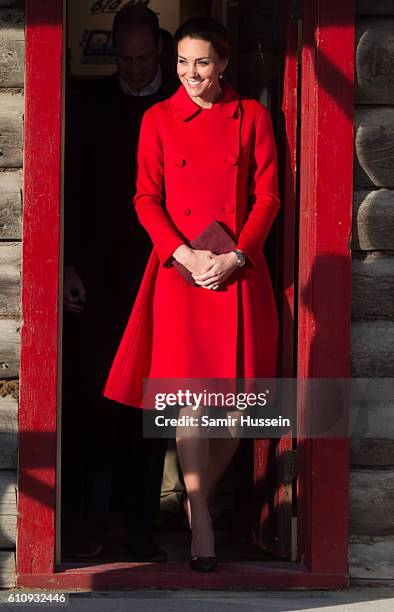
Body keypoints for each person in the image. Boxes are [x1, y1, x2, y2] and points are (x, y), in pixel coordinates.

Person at [103, 17, 281, 572]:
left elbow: (269, 198)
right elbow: (145, 198)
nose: (190, 73)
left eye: (201, 62)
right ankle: (202, 521)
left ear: (223, 63)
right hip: (179, 274)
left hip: (236, 271)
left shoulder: (251, 116)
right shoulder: (157, 118)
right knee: (190, 402)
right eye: (182, 62)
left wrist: (236, 256)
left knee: (240, 410)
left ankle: (191, 496)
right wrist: (181, 254)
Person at [62, 3, 178, 562]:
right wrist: (65, 266)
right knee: (92, 397)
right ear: (113, 50)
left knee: (152, 402)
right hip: (97, 275)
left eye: (143, 57)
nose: (134, 69)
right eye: (125, 58)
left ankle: (139, 522)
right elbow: (69, 193)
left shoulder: (182, 105)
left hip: (162, 272)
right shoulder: (89, 106)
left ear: (159, 48)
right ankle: (89, 517)